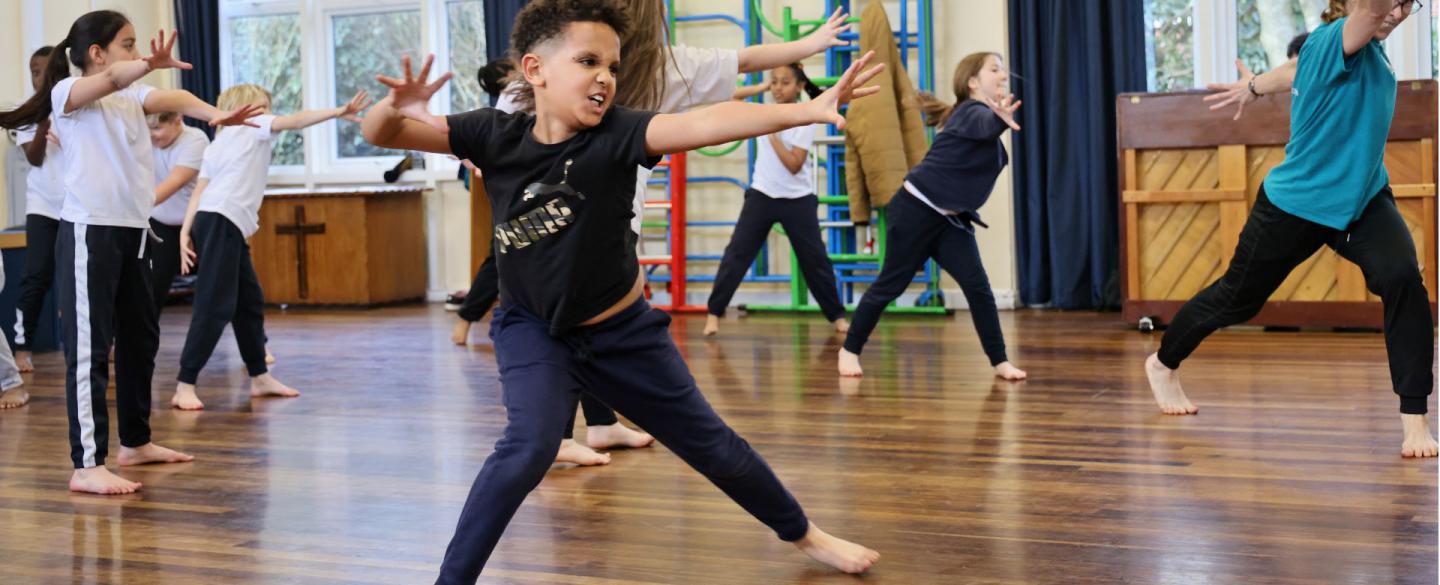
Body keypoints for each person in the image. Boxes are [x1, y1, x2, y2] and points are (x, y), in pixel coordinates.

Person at [360, 0, 888, 579]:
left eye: (612, 65)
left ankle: (805, 534)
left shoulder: (619, 134)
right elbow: (381, 133)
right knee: (527, 448)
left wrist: (803, 111)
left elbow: (705, 123)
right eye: (589, 61)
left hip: (622, 333)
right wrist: (393, 106)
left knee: (714, 447)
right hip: (535, 330)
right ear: (535, 70)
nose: (606, 77)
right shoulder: (492, 133)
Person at [1163, 0, 1435, 458]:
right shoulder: (1335, 38)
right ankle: (1163, 362)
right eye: (1391, 3)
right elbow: (1367, 15)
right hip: (1297, 204)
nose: (1397, 12)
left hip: (1362, 200)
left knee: (1402, 277)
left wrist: (1252, 86)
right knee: (1236, 299)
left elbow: (1291, 72)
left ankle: (1415, 421)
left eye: (1408, 5)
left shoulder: (1358, 50)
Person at [836, 52, 1028, 382]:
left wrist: (997, 119)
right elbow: (984, 125)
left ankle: (1000, 362)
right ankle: (849, 350)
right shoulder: (972, 112)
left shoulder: (967, 115)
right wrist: (997, 119)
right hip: (916, 209)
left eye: (1003, 71)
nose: (1003, 75)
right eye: (994, 69)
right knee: (889, 286)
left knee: (978, 289)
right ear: (973, 82)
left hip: (950, 220)